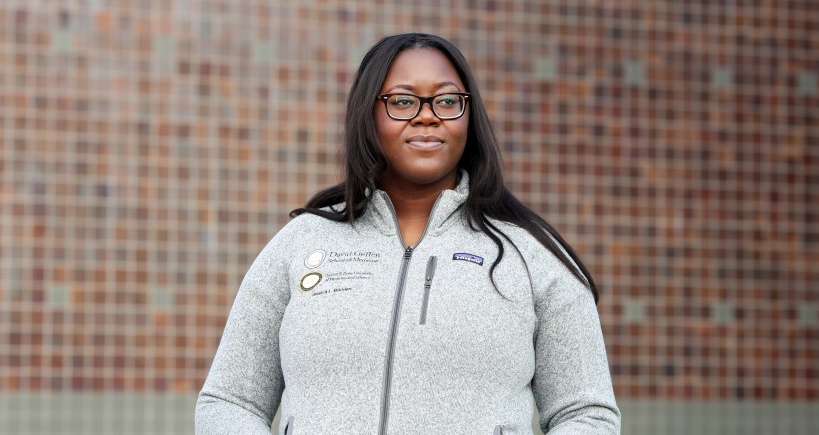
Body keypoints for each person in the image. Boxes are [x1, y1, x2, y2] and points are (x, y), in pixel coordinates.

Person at [195, 33, 621, 434]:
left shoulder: (531, 255)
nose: (427, 116)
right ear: (369, 113)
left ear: (468, 116)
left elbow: (586, 413)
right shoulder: (302, 243)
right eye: (402, 101)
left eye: (447, 101)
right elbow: (230, 401)